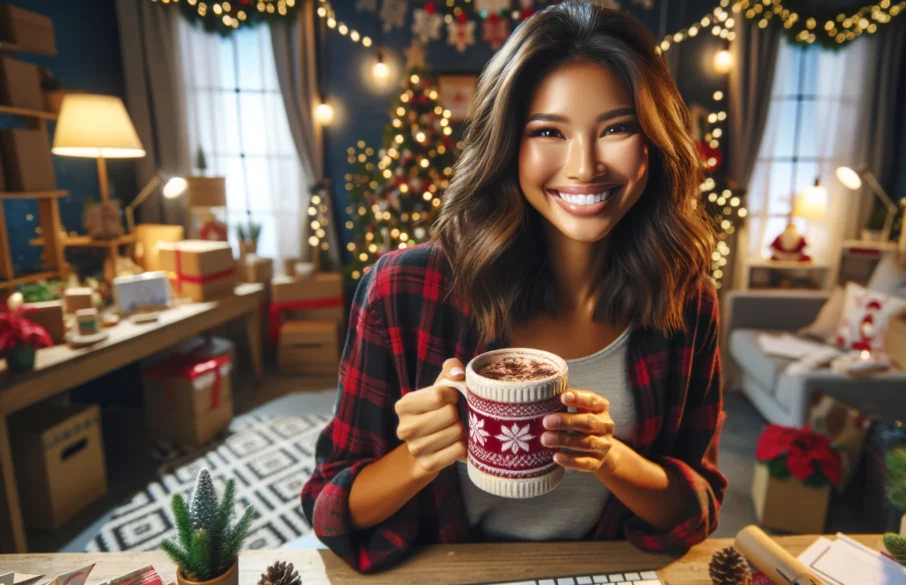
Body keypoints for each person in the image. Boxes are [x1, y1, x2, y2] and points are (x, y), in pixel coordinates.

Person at [302, 0, 726, 573]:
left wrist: (607, 455)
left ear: (653, 142)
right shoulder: (404, 290)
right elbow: (330, 509)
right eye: (548, 130)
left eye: (618, 128)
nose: (584, 166)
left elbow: (696, 510)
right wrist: (422, 457)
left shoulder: (685, 298)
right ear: (507, 145)